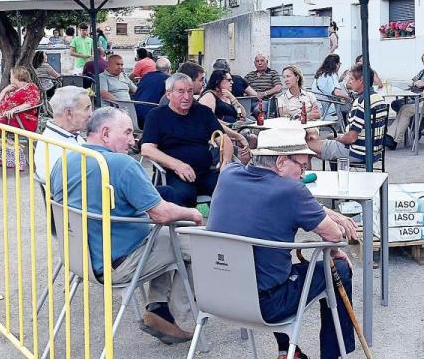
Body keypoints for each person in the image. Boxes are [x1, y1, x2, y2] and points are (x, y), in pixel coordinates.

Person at [50, 107, 203, 345]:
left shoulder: (65, 158)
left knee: (167, 236)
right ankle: (177, 316)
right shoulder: (121, 164)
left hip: (80, 258)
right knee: (197, 241)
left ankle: (159, 308)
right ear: (106, 133)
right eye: (128, 132)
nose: (133, 140)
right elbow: (161, 213)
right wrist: (192, 212)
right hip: (121, 262)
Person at [208, 128, 358, 359]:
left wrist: (325, 212)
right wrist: (335, 253)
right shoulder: (291, 190)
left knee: (275, 266)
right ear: (280, 162)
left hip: (217, 296)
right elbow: (333, 236)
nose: (303, 173)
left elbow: (291, 202)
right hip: (266, 305)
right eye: (302, 166)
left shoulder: (228, 175)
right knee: (339, 269)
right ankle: (333, 355)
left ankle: (287, 351)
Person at [141, 73, 234, 207]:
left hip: (205, 172)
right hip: (174, 174)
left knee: (232, 187)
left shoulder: (203, 112)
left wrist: (226, 161)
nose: (187, 97)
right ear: (168, 94)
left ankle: (223, 225)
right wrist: (177, 165)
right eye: (181, 92)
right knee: (182, 196)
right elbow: (147, 149)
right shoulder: (156, 115)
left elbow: (223, 139)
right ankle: (185, 227)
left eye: (190, 91)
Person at [308, 63, 388, 163]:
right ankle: (335, 173)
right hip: (374, 151)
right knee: (325, 143)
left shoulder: (361, 102)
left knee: (306, 146)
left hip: (357, 152)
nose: (349, 82)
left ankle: (304, 177)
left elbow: (351, 138)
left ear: (361, 80)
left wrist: (339, 138)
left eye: (351, 79)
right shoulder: (379, 99)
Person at [0, 66, 41, 171]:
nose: (10, 79)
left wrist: (15, 110)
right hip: (6, 120)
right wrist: (4, 91)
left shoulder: (31, 87)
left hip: (21, 121)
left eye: (11, 76)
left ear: (17, 76)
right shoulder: (12, 90)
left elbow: (32, 103)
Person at [34, 86, 91, 183]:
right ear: (69, 113)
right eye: (87, 109)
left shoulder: (65, 134)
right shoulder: (54, 146)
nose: (91, 114)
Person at [134, 57, 170, 126]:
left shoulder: (146, 76)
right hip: (152, 118)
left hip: (135, 115)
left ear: (155, 68)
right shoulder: (168, 80)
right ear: (169, 69)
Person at [313, 54, 350, 120]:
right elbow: (336, 92)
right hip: (327, 107)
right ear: (335, 64)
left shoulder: (321, 74)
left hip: (319, 104)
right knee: (350, 107)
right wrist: (349, 97)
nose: (339, 66)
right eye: (339, 64)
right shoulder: (331, 74)